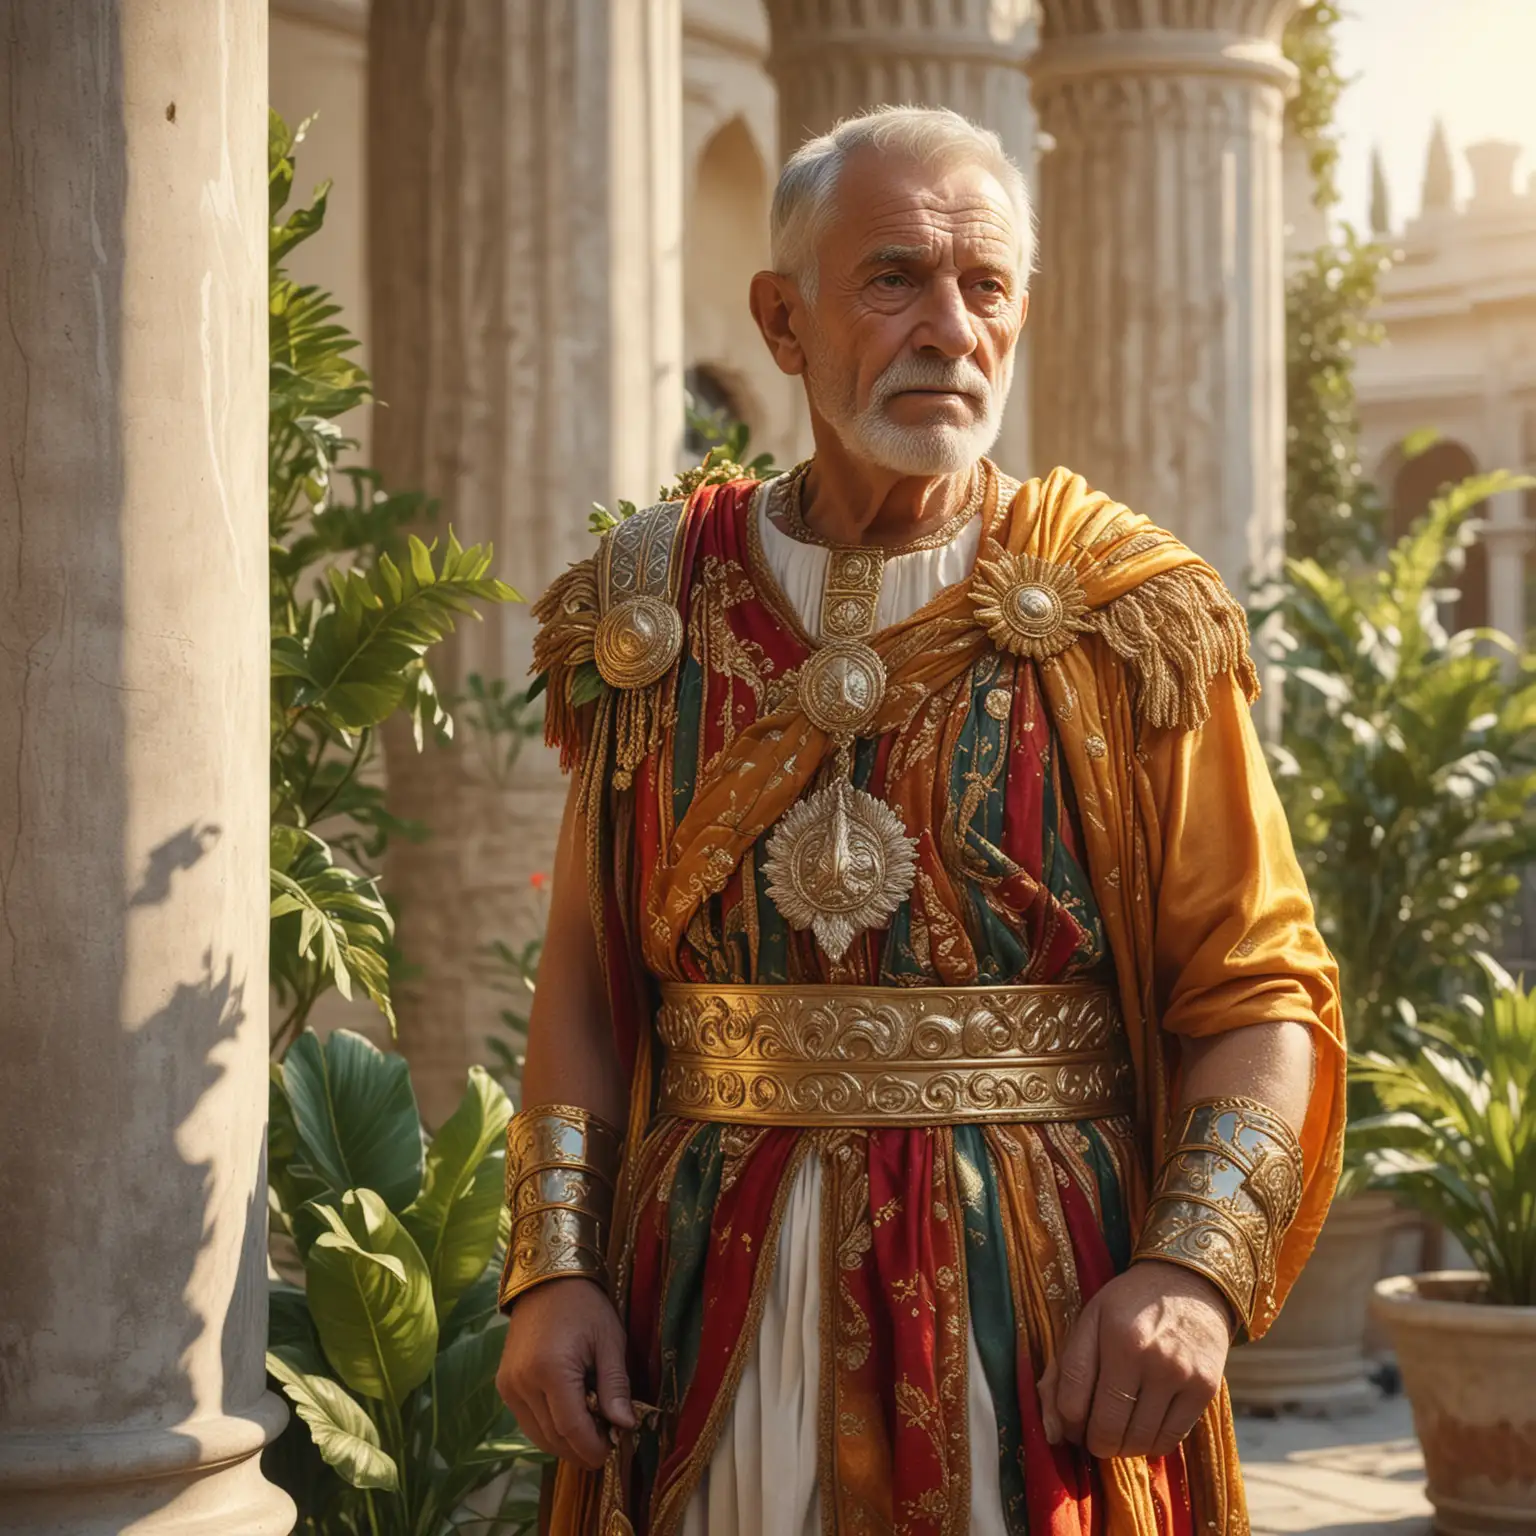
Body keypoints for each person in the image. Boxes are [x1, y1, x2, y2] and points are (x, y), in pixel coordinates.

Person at [495, 105, 1344, 1536]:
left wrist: (1191, 1272)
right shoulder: (653, 604)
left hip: (1038, 1317)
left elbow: (1257, 986)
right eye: (894, 277)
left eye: (986, 286)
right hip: (701, 1301)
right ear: (784, 318)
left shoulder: (1128, 611)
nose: (949, 327)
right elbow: (587, 974)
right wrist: (556, 1270)